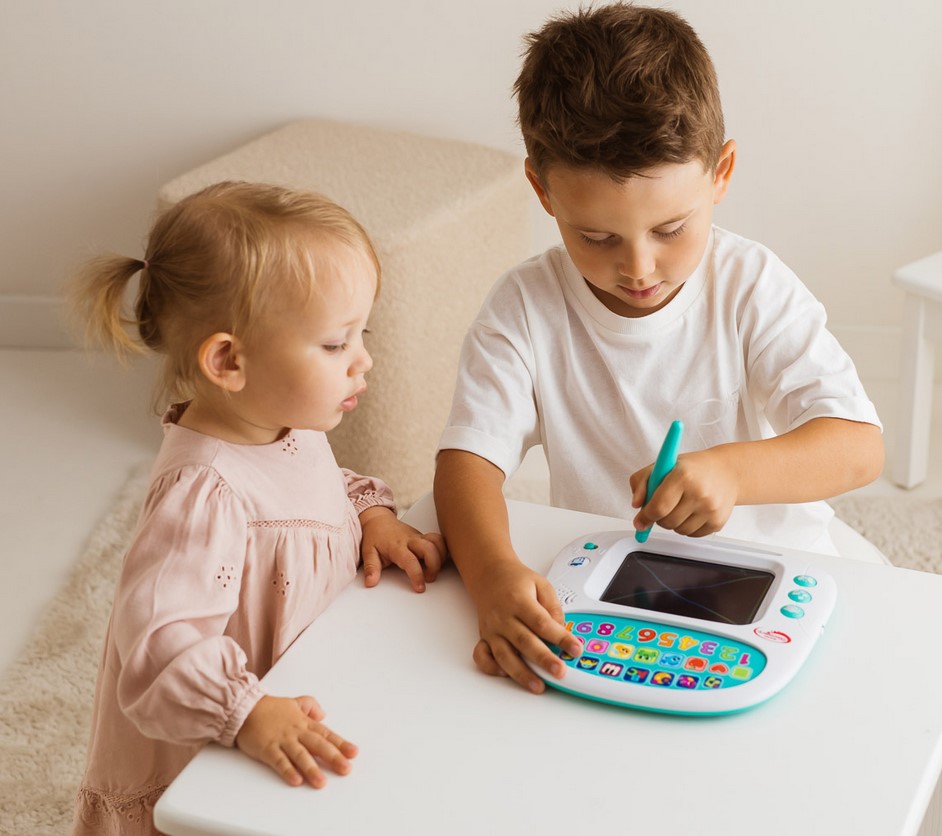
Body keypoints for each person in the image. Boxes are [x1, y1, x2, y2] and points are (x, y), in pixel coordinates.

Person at [433, 3, 883, 695]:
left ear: (721, 173)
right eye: (597, 238)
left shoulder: (751, 285)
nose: (639, 268)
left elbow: (858, 447)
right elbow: (467, 463)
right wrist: (492, 575)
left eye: (671, 229)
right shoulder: (524, 307)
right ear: (542, 191)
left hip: (776, 575)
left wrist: (733, 473)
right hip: (615, 585)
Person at [69, 181, 446, 834]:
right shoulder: (202, 494)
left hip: (305, 683)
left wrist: (372, 516)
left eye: (362, 333)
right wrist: (244, 712)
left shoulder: (283, 426)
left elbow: (312, 490)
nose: (364, 360)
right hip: (215, 749)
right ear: (229, 361)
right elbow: (157, 646)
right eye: (335, 344)